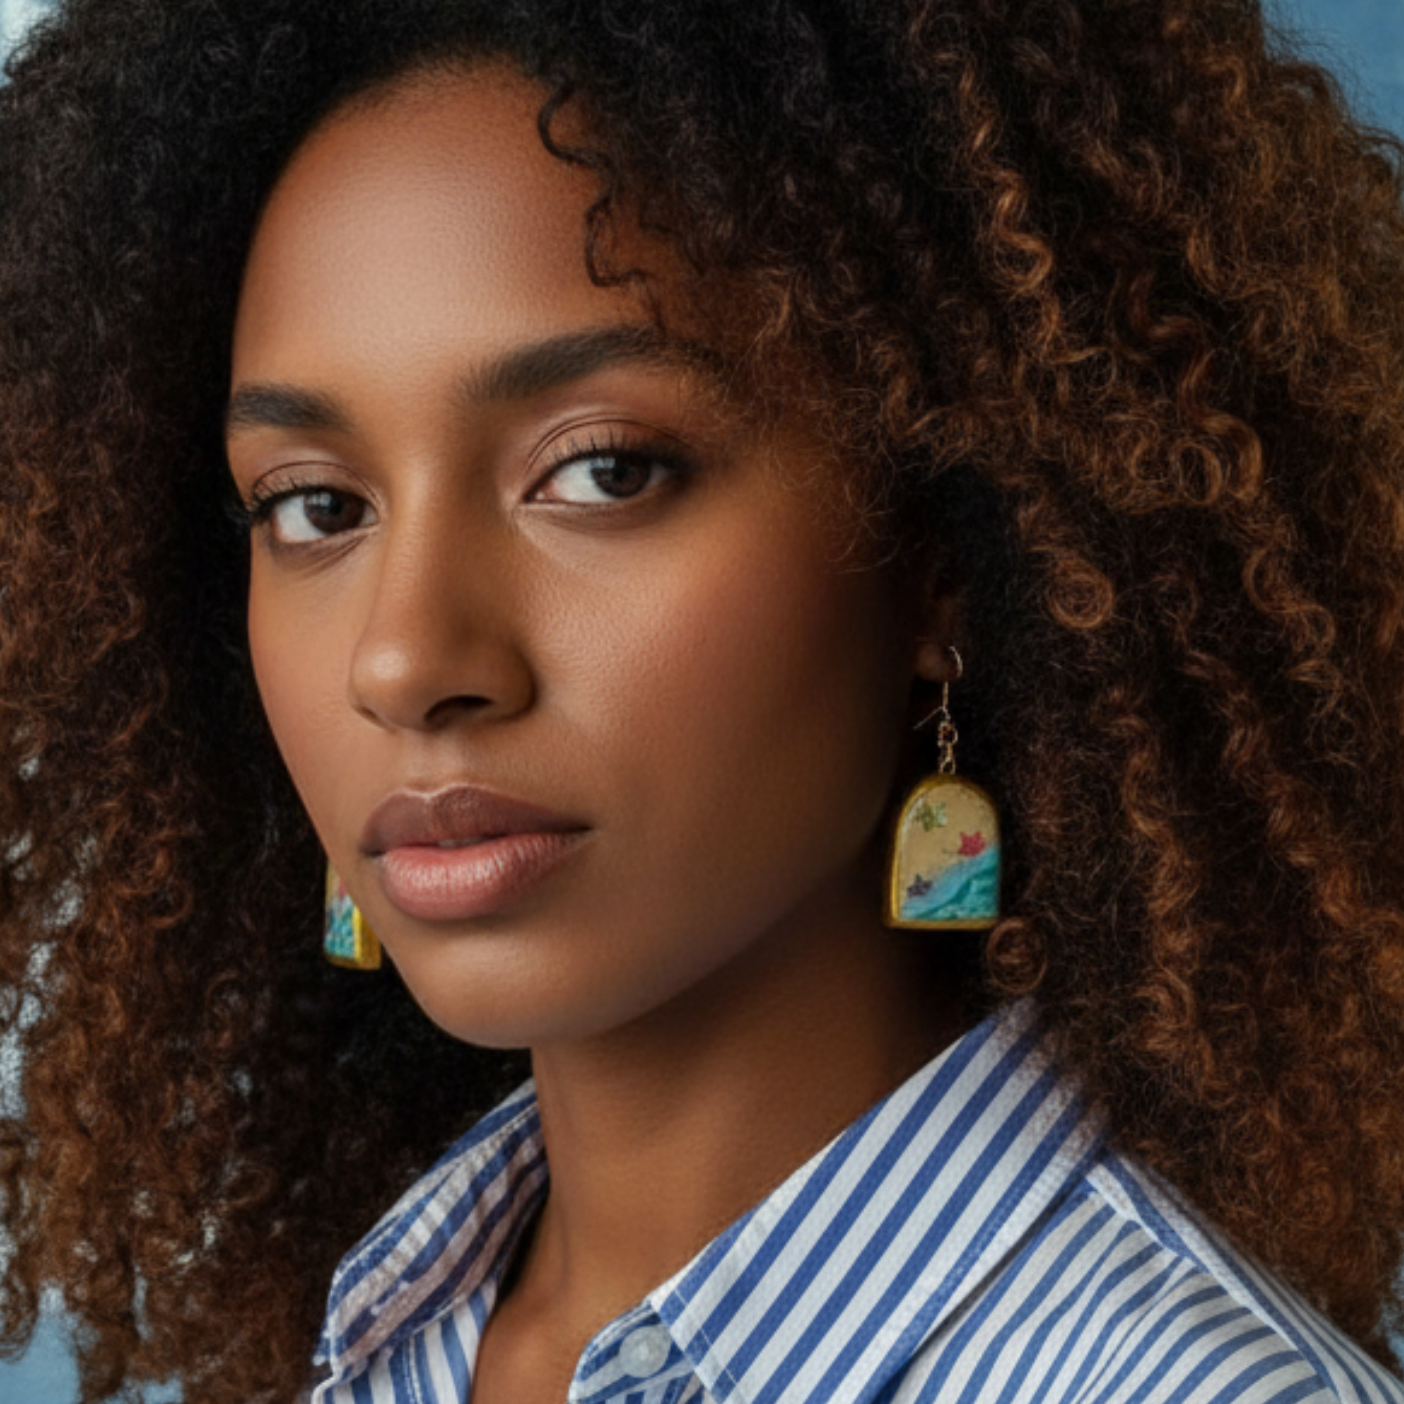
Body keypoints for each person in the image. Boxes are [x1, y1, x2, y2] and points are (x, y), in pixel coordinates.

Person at [1, 1, 1403, 1401]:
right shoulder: (380, 1340)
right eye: (314, 504)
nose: (402, 660)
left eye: (606, 472)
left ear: (943, 561)